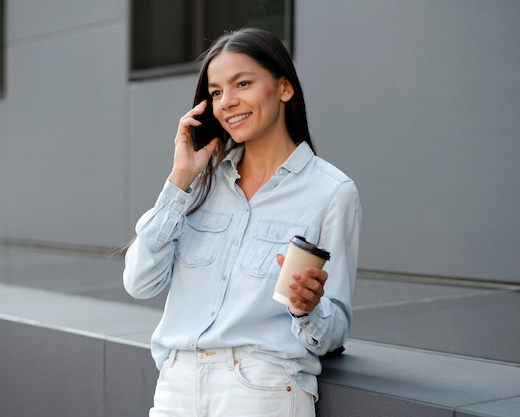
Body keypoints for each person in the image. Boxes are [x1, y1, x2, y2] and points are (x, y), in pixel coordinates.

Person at [123, 27, 362, 417]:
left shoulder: (331, 193)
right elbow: (138, 282)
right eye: (216, 92)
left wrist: (306, 309)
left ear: (284, 88)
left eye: (243, 83)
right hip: (177, 387)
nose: (227, 102)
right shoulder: (198, 183)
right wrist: (179, 179)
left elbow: (333, 333)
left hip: (261, 389)